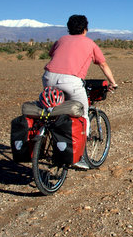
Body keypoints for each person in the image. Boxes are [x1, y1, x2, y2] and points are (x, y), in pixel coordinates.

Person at [43, 15, 118, 168]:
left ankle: (45, 144)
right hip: (71, 81)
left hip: (48, 77)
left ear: (69, 28)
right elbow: (103, 65)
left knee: (53, 112)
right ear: (85, 29)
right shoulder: (90, 43)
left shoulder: (61, 40)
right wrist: (112, 82)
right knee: (82, 115)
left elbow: (53, 55)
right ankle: (80, 158)